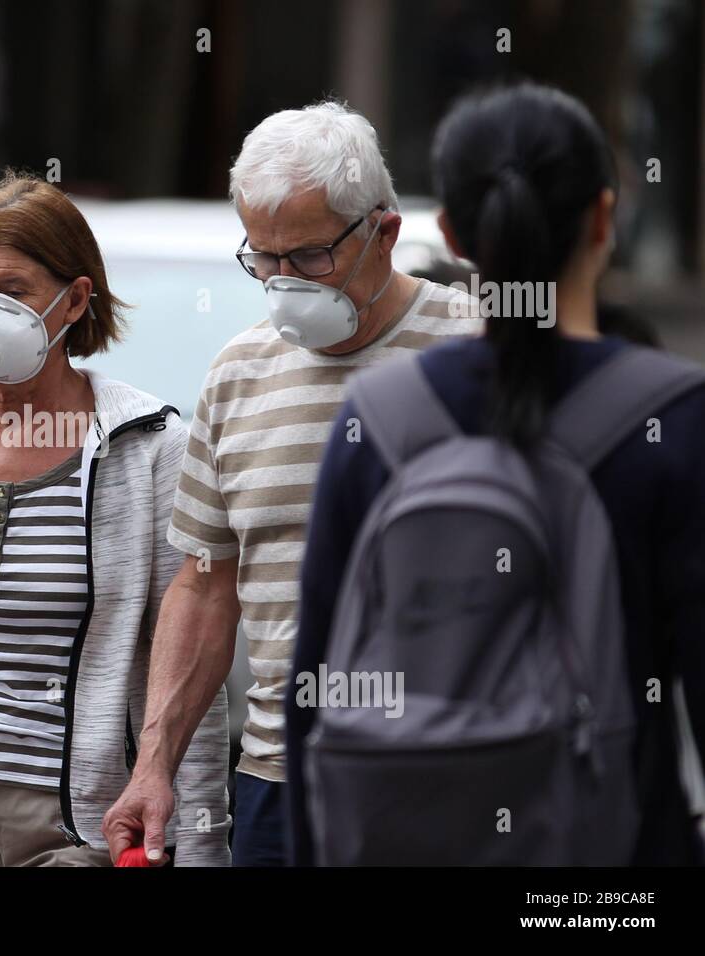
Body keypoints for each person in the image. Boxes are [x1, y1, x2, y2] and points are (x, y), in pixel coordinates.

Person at [289, 83, 705, 865]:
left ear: (450, 231)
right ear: (604, 220)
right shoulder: (675, 421)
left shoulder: (375, 419)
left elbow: (312, 692)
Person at [103, 101, 480, 866]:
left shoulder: (479, 348)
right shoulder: (238, 374)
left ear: (384, 232)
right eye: (262, 259)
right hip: (282, 779)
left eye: (306, 258)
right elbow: (206, 586)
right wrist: (153, 767)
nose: (281, 283)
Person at [0, 171, 230, 866]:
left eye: (14, 291)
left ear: (74, 301)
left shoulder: (147, 449)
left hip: (77, 830)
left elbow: (186, 663)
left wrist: (200, 844)